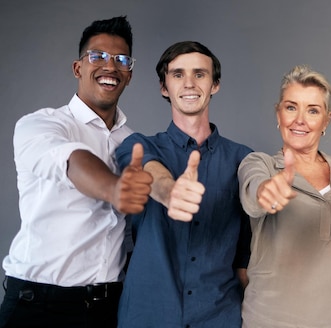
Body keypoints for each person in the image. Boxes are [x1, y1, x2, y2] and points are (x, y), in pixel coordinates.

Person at [0, 16, 153, 328]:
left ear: (129, 74)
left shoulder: (133, 143)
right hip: (39, 306)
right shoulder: (42, 124)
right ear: (77, 68)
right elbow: (71, 160)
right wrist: (114, 189)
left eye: (121, 60)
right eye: (97, 56)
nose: (110, 66)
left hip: (108, 307)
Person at [115, 41, 253, 327]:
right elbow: (148, 170)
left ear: (215, 84)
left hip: (219, 315)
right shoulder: (138, 145)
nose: (189, 83)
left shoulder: (243, 159)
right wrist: (169, 192)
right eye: (178, 74)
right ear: (164, 87)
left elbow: (245, 250)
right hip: (147, 315)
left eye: (200, 74)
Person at [238, 65, 331, 327]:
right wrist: (267, 192)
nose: (300, 120)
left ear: (326, 120)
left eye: (313, 110)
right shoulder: (260, 164)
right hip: (270, 320)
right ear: (278, 113)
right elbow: (254, 192)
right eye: (291, 107)